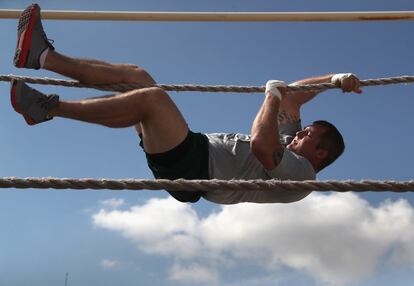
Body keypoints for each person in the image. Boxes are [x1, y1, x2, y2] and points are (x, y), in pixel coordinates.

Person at [11, 4, 362, 204]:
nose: (299, 134)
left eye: (308, 136)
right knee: (137, 76)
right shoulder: (292, 143)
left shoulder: (302, 174)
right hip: (193, 149)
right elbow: (294, 95)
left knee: (151, 100)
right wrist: (334, 80)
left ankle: (48, 107)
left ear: (321, 154)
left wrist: (271, 96)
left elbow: (261, 143)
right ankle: (42, 57)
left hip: (197, 173)